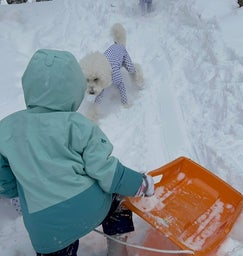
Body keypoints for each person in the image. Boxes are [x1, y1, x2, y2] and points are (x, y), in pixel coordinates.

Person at [0, 49, 154, 256]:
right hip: (90, 208)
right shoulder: (78, 125)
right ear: (74, 89)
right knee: (116, 196)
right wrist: (139, 184)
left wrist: (21, 192)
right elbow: (106, 172)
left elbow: (4, 179)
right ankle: (118, 247)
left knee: (55, 247)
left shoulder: (6, 129)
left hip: (46, 227)